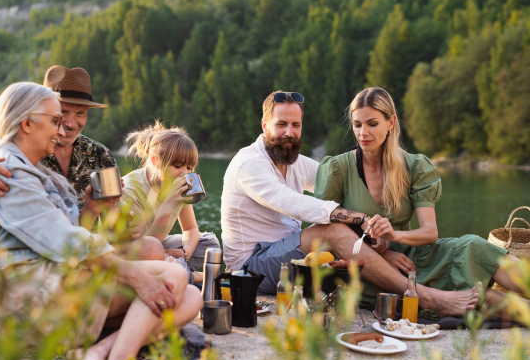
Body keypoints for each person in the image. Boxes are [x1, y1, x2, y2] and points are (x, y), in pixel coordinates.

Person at [0, 82, 202, 360]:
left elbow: (65, 236)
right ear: (27, 123)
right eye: (56, 119)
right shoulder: (6, 169)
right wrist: (137, 277)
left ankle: (95, 353)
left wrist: (93, 209)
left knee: (189, 295)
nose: (63, 128)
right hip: (33, 300)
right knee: (172, 275)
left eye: (73, 116)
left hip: (55, 278)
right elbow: (64, 241)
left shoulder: (72, 160)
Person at [221, 90, 481, 317]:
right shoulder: (249, 164)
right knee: (332, 230)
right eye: (281, 125)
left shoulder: (295, 163)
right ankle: (425, 297)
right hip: (250, 268)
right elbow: (292, 203)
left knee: (338, 234)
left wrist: (381, 249)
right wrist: (363, 219)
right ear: (265, 125)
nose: (289, 133)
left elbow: (338, 178)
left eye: (296, 125)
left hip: (294, 256)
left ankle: (477, 297)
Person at [314, 86, 528, 312]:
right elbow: (326, 234)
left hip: (414, 257)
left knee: (475, 246)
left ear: (391, 122)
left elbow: (429, 232)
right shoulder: (337, 168)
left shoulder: (415, 166)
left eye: (372, 123)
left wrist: (394, 235)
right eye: (357, 125)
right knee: (475, 295)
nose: (363, 133)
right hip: (367, 268)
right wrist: (384, 256)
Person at [0, 65, 116, 211]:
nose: (71, 124)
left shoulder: (101, 155)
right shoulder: (21, 152)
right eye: (62, 113)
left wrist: (131, 229)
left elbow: (113, 216)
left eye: (80, 113)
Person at [121, 121, 220, 285]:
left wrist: (184, 253)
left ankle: (175, 267)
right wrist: (168, 204)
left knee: (210, 245)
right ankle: (192, 276)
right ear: (155, 161)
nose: (185, 173)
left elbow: (190, 228)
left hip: (159, 246)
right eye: (177, 165)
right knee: (154, 255)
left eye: (189, 167)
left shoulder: (178, 184)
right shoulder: (130, 190)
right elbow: (145, 248)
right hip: (132, 254)